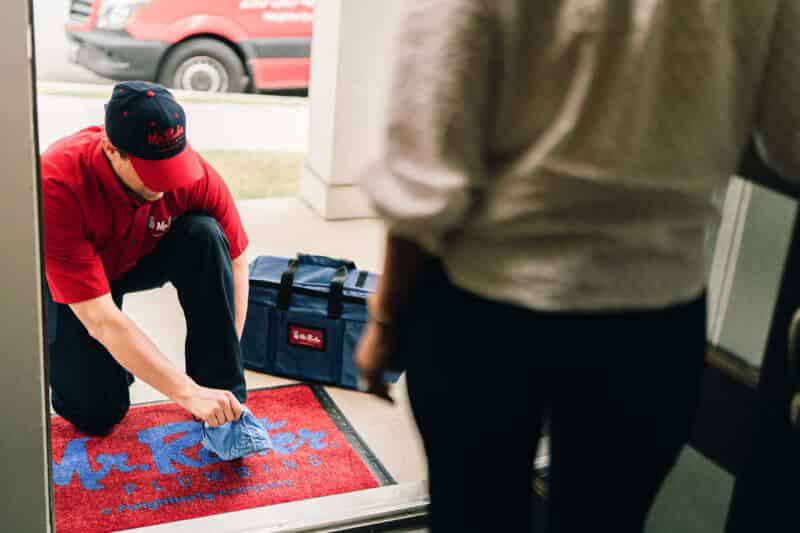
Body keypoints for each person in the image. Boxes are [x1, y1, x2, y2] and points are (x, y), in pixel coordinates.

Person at [355, 1, 800, 531]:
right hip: (652, 318)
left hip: (482, 312)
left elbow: (426, 171)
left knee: (473, 517)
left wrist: (387, 320)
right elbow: (789, 135)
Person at [42, 81, 248, 435]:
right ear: (110, 148)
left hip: (140, 253)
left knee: (206, 235)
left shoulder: (194, 175)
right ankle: (110, 364)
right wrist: (185, 393)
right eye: (153, 170)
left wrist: (226, 354)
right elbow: (101, 319)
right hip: (80, 281)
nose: (167, 182)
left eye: (172, 166)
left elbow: (237, 260)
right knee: (96, 413)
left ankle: (222, 397)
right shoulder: (57, 183)